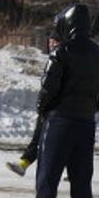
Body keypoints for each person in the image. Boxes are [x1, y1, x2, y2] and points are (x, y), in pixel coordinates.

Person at [22, 3, 99, 198]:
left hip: (59, 122)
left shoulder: (61, 53)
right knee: (82, 184)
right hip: (86, 124)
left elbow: (47, 91)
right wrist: (87, 109)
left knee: (47, 181)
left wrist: (46, 110)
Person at [6, 34, 62, 177]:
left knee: (50, 140)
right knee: (40, 137)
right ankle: (24, 163)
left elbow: (51, 86)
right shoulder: (55, 58)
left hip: (57, 109)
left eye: (54, 40)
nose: (51, 43)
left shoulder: (60, 58)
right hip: (52, 107)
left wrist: (43, 104)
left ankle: (71, 171)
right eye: (50, 40)